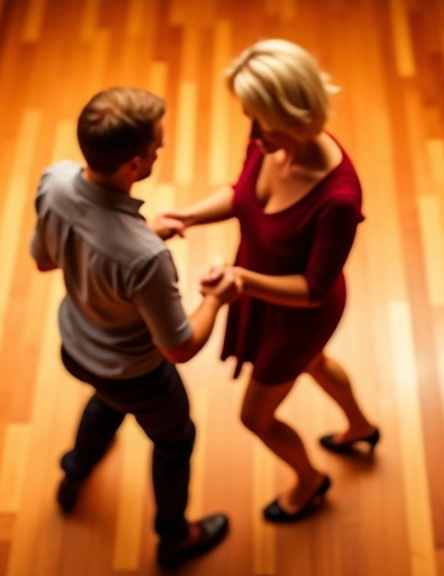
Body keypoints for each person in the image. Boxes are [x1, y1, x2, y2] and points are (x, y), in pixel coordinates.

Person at [157, 39, 380, 523]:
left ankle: (310, 481)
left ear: (296, 113)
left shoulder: (338, 198)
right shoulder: (270, 139)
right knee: (315, 365)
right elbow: (242, 197)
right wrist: (186, 216)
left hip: (299, 315)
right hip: (260, 289)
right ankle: (361, 427)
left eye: (264, 120)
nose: (254, 133)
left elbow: (314, 289)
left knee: (255, 417)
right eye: (250, 117)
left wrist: (241, 282)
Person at [29, 87, 239, 567]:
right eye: (156, 150)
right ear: (132, 165)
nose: (159, 155)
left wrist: (138, 233)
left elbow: (44, 261)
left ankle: (75, 472)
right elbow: (180, 348)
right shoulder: (146, 261)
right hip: (139, 375)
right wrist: (216, 299)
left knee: (105, 401)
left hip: (76, 347)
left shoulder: (55, 181)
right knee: (175, 440)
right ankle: (173, 538)